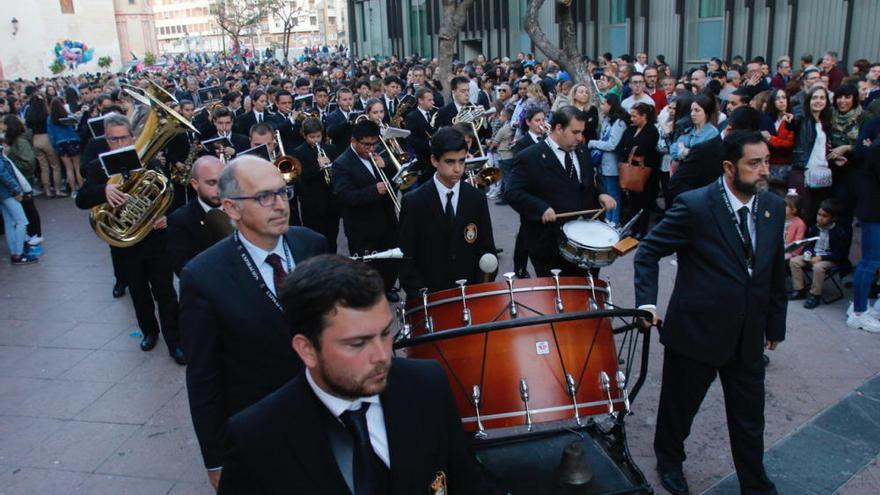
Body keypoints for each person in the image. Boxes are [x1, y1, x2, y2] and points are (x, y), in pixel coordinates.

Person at [217, 254, 499, 494]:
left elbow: (469, 482)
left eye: (386, 333)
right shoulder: (256, 440)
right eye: (357, 343)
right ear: (307, 349)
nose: (382, 356)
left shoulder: (426, 385)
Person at [635, 130, 786, 495]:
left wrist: (774, 324)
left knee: (750, 420)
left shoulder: (772, 207)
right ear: (729, 167)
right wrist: (647, 303)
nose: (764, 170)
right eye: (754, 163)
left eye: (766, 161)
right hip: (696, 333)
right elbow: (648, 252)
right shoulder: (695, 205)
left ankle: (755, 484)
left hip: (747, 335)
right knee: (678, 411)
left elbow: (775, 268)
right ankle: (669, 461)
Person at [179, 155, 327, 489]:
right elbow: (203, 377)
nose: (279, 205)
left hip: (325, 416)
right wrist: (216, 458)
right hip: (262, 429)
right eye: (264, 197)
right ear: (231, 208)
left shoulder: (311, 243)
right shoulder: (203, 276)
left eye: (282, 192)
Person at [74, 114, 185, 364]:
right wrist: (102, 190)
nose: (120, 143)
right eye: (114, 139)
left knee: (166, 292)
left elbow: (169, 193)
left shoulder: (150, 163)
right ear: (106, 139)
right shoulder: (96, 168)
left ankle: (176, 341)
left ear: (132, 137)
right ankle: (149, 332)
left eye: (124, 137)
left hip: (156, 239)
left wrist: (165, 216)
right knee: (138, 291)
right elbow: (81, 199)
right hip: (127, 245)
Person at [507, 106, 616, 277]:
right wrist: (540, 208)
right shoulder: (530, 157)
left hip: (586, 243)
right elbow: (512, 192)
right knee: (556, 300)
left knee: (587, 295)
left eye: (582, 132)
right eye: (575, 132)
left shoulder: (581, 149)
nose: (580, 138)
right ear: (558, 128)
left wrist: (601, 193)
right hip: (550, 246)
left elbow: (590, 178)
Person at [399, 127, 496, 296]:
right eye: (450, 162)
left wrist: (480, 288)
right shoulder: (414, 202)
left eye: (462, 160)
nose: (458, 169)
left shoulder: (476, 198)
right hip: (430, 296)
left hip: (469, 293)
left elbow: (486, 249)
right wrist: (421, 294)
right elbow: (407, 257)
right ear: (434, 161)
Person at [332, 119, 400, 301]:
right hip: (362, 226)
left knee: (390, 260)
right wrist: (373, 191)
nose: (371, 148)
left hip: (386, 219)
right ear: (354, 141)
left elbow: (394, 183)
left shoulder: (378, 156)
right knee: (367, 265)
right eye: (366, 144)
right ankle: (371, 296)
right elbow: (344, 196)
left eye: (374, 143)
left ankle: (388, 287)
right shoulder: (342, 163)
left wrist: (387, 166)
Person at [667, 106, 762, 201]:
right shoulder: (703, 151)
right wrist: (707, 203)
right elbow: (676, 185)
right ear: (729, 130)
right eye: (742, 139)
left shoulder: (750, 150)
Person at [788, 198, 852, 309]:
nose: (820, 218)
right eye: (819, 214)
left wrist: (821, 257)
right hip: (814, 255)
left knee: (818, 267)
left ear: (833, 218)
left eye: (824, 216)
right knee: (794, 261)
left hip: (830, 259)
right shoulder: (814, 228)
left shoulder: (839, 233)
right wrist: (808, 252)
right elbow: (808, 244)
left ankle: (814, 295)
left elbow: (840, 254)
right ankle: (799, 289)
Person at [166, 156, 225, 275]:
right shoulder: (179, 220)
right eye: (212, 183)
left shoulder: (240, 209)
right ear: (195, 184)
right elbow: (183, 269)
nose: (219, 189)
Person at [292, 117, 341, 253]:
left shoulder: (330, 149)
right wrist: (318, 166)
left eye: (318, 136)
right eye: (312, 137)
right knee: (315, 241)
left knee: (332, 239)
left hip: (331, 203)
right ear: (305, 135)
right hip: (312, 205)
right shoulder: (299, 152)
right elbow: (300, 177)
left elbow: (338, 171)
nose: (316, 140)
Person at [848, 142, 880, 332]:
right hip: (874, 213)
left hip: (873, 212)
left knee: (871, 261)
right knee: (870, 262)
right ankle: (859, 312)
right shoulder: (877, 149)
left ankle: (865, 308)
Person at [618, 103, 661, 238]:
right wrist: (631, 149)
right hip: (631, 168)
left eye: (634, 116)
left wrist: (630, 149)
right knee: (632, 202)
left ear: (644, 116)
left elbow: (644, 148)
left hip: (645, 171)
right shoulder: (631, 130)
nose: (631, 119)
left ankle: (642, 230)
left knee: (643, 202)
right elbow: (621, 147)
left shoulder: (652, 131)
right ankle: (633, 228)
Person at [587, 94, 628, 225]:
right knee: (606, 191)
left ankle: (614, 220)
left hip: (612, 164)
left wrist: (593, 143)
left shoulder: (619, 123)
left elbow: (612, 144)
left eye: (604, 104)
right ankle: (607, 217)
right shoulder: (606, 120)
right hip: (602, 163)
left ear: (611, 105)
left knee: (613, 193)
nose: (602, 106)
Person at [0, 154, 36, 265]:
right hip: (7, 192)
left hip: (2, 194)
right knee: (21, 221)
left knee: (9, 223)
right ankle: (19, 254)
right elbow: (2, 172)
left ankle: (15, 253)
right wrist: (15, 189)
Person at [46, 97, 83, 195]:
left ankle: (73, 191)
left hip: (60, 143)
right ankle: (83, 188)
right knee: (77, 167)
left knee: (69, 168)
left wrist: (55, 146)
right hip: (73, 140)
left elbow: (51, 135)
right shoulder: (68, 115)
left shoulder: (50, 119)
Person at [783, 193, 807, 261]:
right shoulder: (780, 219)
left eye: (785, 205)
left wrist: (792, 254)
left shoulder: (800, 224)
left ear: (793, 210)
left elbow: (799, 243)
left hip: (790, 253)